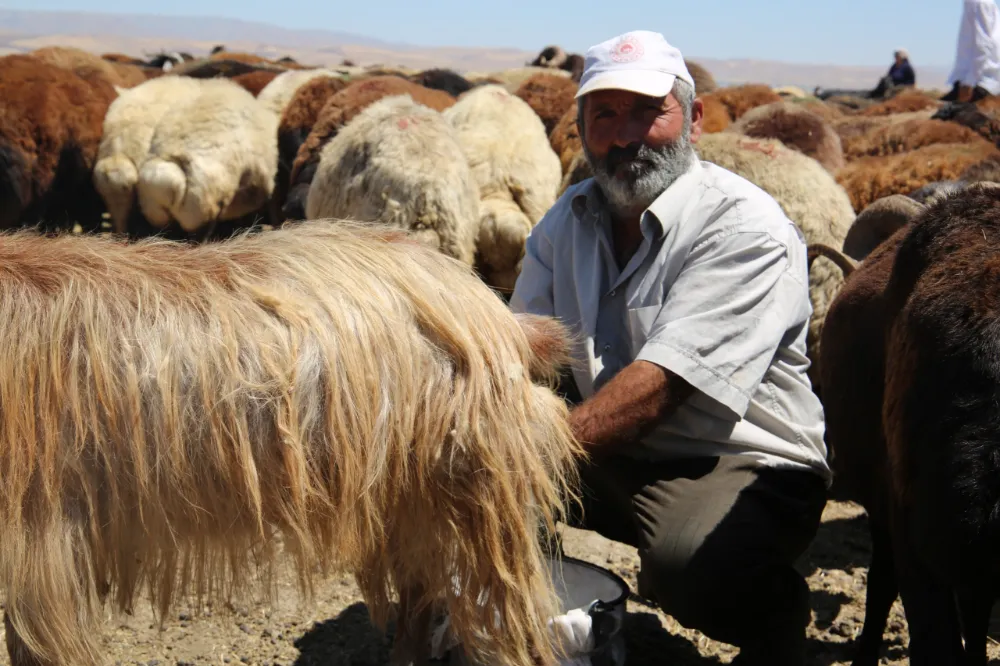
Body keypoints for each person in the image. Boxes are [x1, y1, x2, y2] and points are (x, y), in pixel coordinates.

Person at [510, 30, 831, 666]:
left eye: (647, 111)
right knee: (480, 482)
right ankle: (530, 621)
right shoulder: (567, 220)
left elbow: (662, 386)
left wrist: (524, 455)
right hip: (613, 444)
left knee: (690, 566)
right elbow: (522, 348)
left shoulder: (743, 227)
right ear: (581, 128)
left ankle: (775, 617)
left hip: (735, 459)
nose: (625, 135)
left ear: (694, 118)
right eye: (605, 114)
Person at [944, 0, 1000, 101]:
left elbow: (982, 45)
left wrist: (969, 82)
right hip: (976, 81)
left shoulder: (978, 3)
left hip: (978, 84)